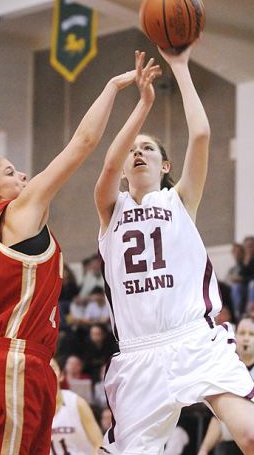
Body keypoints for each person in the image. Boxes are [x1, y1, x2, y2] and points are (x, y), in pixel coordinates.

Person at [0, 66, 137, 455]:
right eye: (11, 172)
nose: (24, 175)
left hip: (22, 366)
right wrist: (111, 85)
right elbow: (83, 141)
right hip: (16, 363)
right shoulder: (19, 210)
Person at [94, 47, 254, 455]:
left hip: (193, 339)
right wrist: (143, 105)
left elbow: (200, 135)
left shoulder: (179, 201)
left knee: (250, 433)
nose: (137, 152)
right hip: (138, 355)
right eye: (133, 149)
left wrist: (180, 67)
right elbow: (109, 164)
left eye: (148, 148)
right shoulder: (111, 209)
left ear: (166, 166)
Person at [197, 313, 254, 455]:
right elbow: (217, 419)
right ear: (235, 336)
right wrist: (204, 449)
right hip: (228, 446)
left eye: (251, 334)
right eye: (242, 333)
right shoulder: (226, 368)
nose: (246, 338)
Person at [50, 358, 103, 455]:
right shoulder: (33, 408)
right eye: (44, 369)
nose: (48, 373)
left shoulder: (77, 403)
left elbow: (98, 444)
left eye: (52, 368)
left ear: (61, 375)